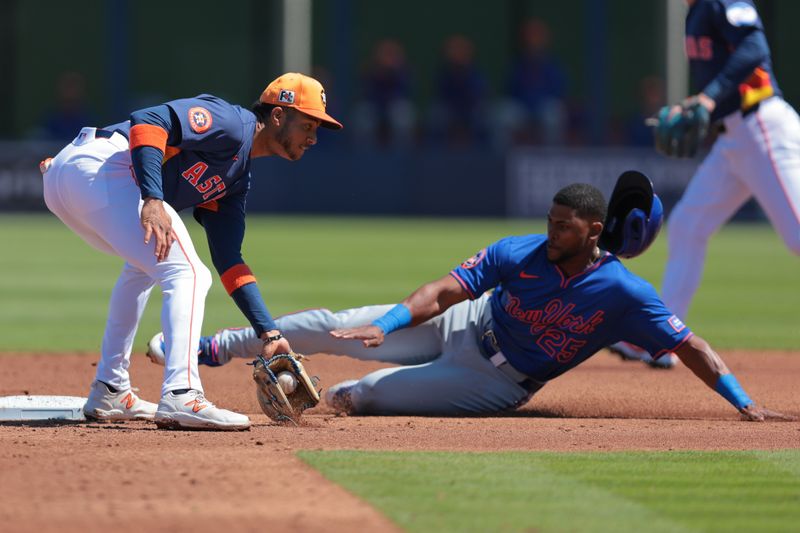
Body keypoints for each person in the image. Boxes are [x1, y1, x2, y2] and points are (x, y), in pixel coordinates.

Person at [146, 183, 791, 421]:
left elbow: (691, 346)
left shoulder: (623, 292)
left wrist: (745, 404)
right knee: (334, 326)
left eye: (565, 226)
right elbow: (444, 290)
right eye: (551, 219)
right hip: (465, 322)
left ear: (595, 234)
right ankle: (214, 348)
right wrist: (392, 321)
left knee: (360, 396)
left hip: (492, 382)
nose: (552, 231)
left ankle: (327, 405)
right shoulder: (521, 251)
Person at [41, 73, 342, 430]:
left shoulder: (236, 179)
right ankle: (181, 393)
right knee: (189, 273)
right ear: (278, 116)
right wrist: (153, 198)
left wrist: (269, 333)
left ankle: (110, 388)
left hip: (75, 179)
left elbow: (230, 261)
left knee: (145, 267)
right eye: (307, 124)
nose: (312, 137)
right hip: (101, 165)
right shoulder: (232, 124)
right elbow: (149, 121)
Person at [611, 0, 800, 367]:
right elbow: (718, 80)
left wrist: (708, 98)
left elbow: (755, 48)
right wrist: (694, 105)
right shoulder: (695, 10)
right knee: (687, 227)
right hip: (734, 140)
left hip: (761, 126)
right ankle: (660, 341)